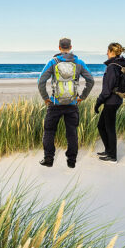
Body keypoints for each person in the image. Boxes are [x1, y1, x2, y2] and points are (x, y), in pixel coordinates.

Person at [37, 37, 94, 168]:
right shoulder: (79, 62)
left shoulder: (53, 62)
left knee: (49, 131)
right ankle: (71, 161)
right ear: (71, 47)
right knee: (72, 133)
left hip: (55, 104)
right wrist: (82, 97)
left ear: (59, 47)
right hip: (72, 104)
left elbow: (40, 81)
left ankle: (49, 159)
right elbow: (90, 80)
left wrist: (46, 98)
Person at [94, 42, 125, 162]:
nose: (106, 53)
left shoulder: (112, 67)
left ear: (111, 52)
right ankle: (108, 150)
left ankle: (112, 156)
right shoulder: (118, 65)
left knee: (109, 128)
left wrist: (98, 102)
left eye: (107, 51)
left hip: (111, 102)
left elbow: (107, 90)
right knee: (101, 126)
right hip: (115, 100)